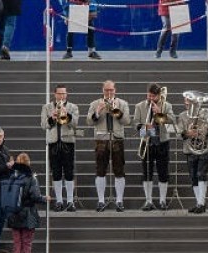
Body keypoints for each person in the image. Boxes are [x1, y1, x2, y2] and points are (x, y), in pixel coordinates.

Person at [86, 80, 130, 212]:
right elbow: (89, 121)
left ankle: (119, 201)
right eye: (106, 90)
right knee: (100, 171)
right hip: (101, 140)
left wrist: (117, 111)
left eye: (111, 90)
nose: (109, 93)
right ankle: (100, 201)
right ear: (103, 90)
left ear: (115, 90)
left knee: (119, 171)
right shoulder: (95, 104)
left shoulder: (122, 103)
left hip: (117, 139)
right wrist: (98, 112)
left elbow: (127, 121)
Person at [177, 93, 208, 214]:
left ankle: (201, 203)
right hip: (190, 149)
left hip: (205, 148)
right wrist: (187, 133)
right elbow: (178, 134)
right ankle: (199, 203)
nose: (185, 103)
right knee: (193, 177)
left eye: (188, 101)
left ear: (195, 102)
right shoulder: (183, 115)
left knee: (201, 174)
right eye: (185, 101)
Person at [7, 153, 50, 253]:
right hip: (28, 214)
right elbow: (35, 196)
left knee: (17, 243)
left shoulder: (12, 177)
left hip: (14, 213)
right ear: (28, 163)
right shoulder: (31, 178)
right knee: (26, 243)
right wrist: (45, 198)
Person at [133, 83, 175, 211]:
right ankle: (148, 201)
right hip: (147, 142)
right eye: (149, 95)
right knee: (147, 173)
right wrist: (144, 127)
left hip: (162, 142)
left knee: (163, 173)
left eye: (153, 96)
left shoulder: (167, 105)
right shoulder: (140, 106)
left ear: (159, 95)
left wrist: (159, 113)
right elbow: (135, 123)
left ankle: (162, 200)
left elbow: (172, 120)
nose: (151, 98)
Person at [41, 84, 79, 212]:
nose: (62, 96)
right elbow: (43, 125)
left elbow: (75, 123)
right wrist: (52, 117)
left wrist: (65, 114)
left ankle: (70, 201)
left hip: (68, 142)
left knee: (69, 172)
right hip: (53, 142)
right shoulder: (47, 107)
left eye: (64, 93)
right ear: (55, 94)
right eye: (59, 93)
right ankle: (58, 201)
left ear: (66, 94)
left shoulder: (73, 107)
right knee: (56, 172)